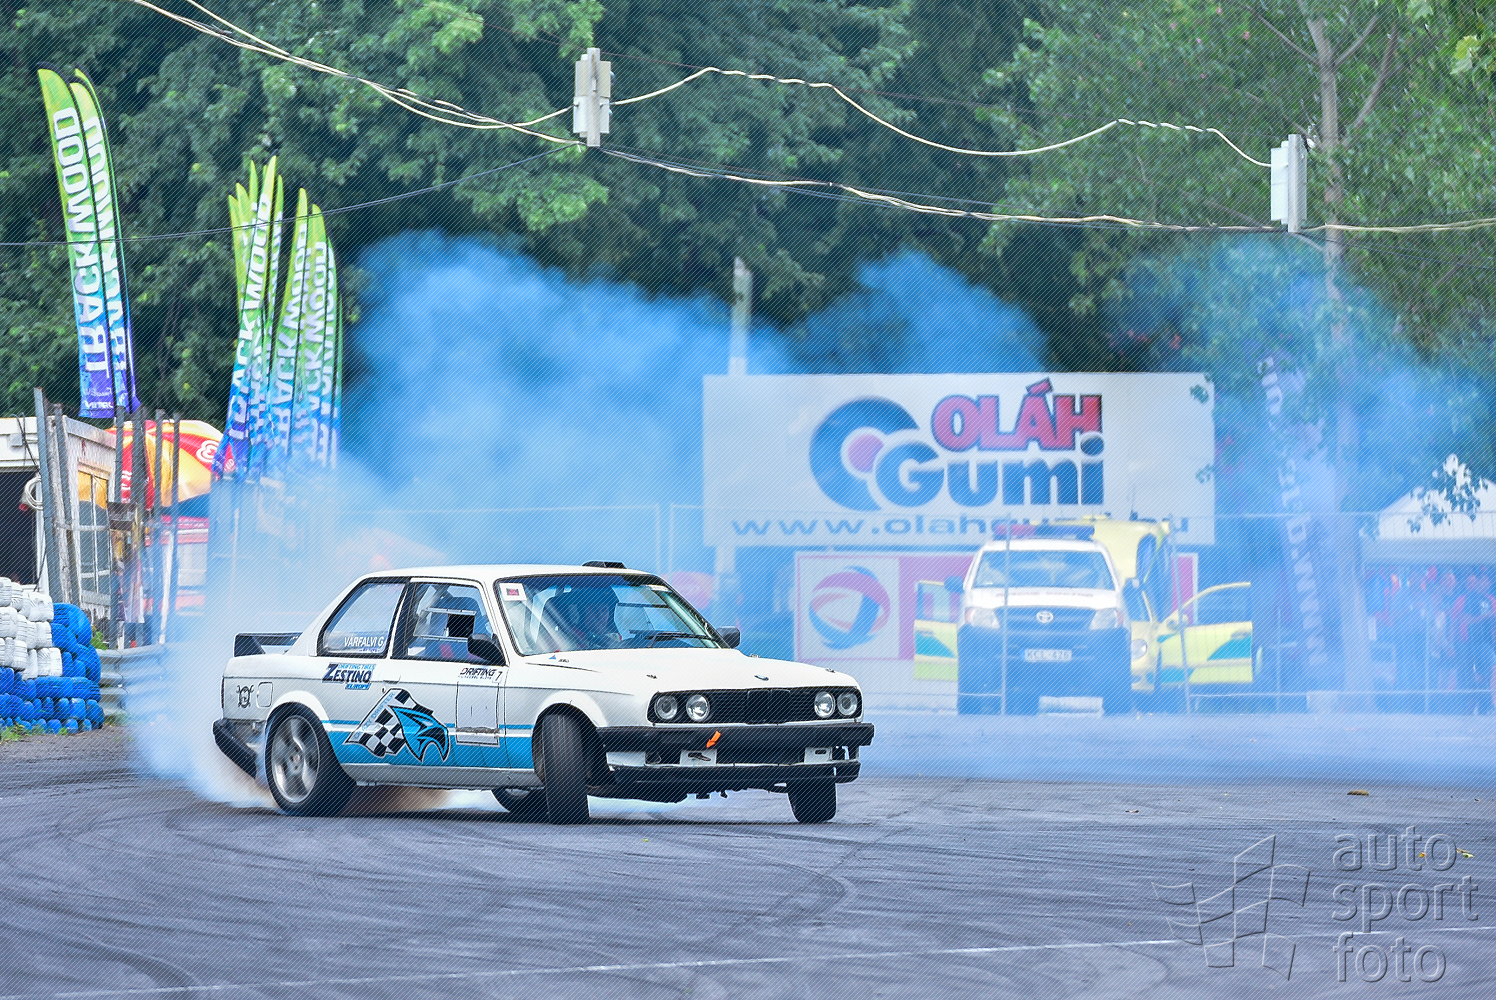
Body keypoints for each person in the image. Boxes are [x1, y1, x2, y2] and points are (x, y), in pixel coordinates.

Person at [550, 587, 623, 650]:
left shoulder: (617, 642)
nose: (600, 615)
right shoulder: (565, 642)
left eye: (604, 610)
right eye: (594, 610)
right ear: (581, 613)